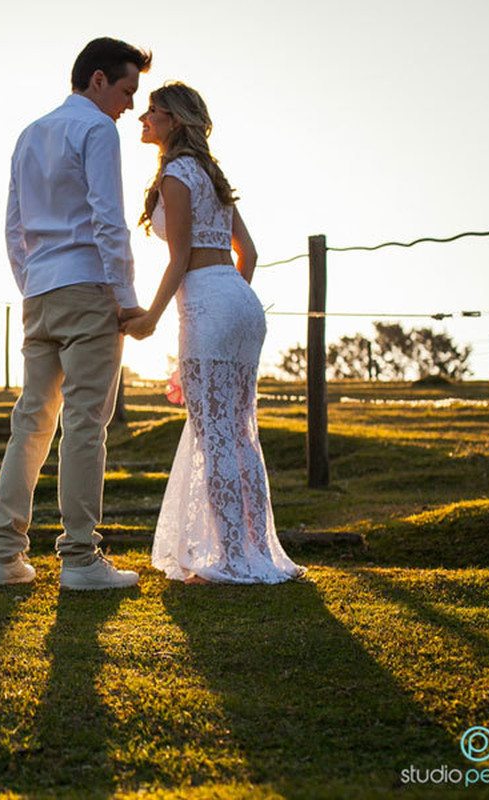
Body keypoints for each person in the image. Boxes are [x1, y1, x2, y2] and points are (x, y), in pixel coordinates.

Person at [0, 37, 152, 590]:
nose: (129, 105)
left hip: (40, 294)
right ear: (98, 80)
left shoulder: (30, 133)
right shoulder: (96, 130)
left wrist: (31, 283)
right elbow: (108, 219)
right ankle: (80, 559)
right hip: (88, 288)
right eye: (127, 90)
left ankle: (3, 556)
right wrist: (126, 299)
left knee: (31, 423)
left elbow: (12, 227)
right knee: (84, 423)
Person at [123, 82, 306, 584]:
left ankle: (232, 556)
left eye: (153, 112)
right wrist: (228, 299)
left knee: (214, 434)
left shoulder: (179, 173)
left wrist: (150, 319)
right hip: (240, 302)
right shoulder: (211, 173)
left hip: (209, 301)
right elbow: (248, 250)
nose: (144, 118)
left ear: (175, 121)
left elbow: (179, 258)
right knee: (239, 430)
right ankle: (253, 549)